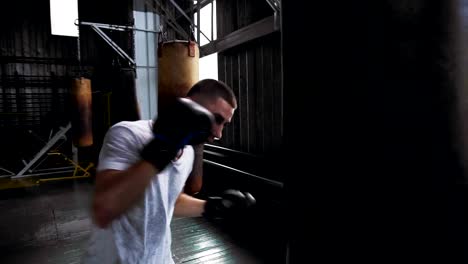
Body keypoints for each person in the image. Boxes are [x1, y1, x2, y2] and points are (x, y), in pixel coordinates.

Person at [81, 79, 256, 264]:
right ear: (190, 104)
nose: (219, 133)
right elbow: (104, 209)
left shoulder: (188, 153)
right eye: (218, 119)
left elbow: (170, 200)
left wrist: (212, 206)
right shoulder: (128, 133)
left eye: (225, 125)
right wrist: (162, 149)